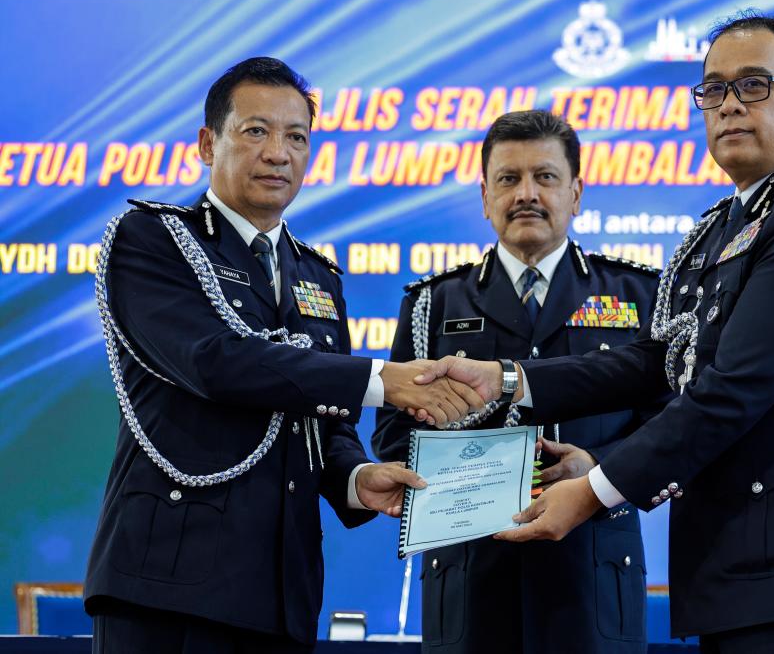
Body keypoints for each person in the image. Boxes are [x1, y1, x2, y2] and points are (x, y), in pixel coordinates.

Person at [416, 12, 774, 653]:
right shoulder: (722, 229)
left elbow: (730, 390)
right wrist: (509, 380)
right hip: (746, 576)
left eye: (754, 85)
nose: (730, 105)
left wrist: (594, 491)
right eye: (713, 89)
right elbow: (657, 362)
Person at [84, 57, 481, 653]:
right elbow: (215, 362)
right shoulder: (152, 240)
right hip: (166, 585)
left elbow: (327, 426)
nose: (278, 153)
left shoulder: (316, 275)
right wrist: (382, 380)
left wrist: (356, 476)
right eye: (256, 131)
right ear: (206, 143)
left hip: (282, 593)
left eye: (297, 136)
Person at [372, 110, 662, 654]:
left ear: (576, 192)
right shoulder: (434, 303)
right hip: (471, 582)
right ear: (484, 196)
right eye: (508, 179)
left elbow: (669, 425)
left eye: (545, 177)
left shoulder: (636, 294)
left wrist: (597, 466)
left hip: (593, 581)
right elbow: (392, 438)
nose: (526, 193)